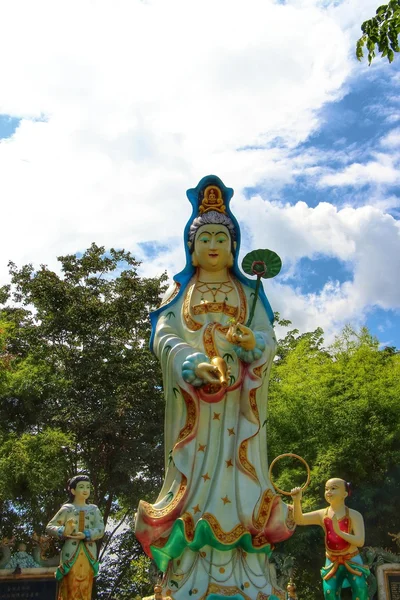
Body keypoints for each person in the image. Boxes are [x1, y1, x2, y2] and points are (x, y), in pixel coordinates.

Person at [135, 175, 294, 599]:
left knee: (238, 477)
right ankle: (189, 571)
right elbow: (163, 335)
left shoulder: (248, 292)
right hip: (197, 410)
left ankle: (250, 572)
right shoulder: (181, 291)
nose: (212, 245)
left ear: (233, 247)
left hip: (238, 408)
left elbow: (267, 338)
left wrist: (252, 342)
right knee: (197, 479)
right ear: (191, 246)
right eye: (203, 237)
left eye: (220, 238)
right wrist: (188, 362)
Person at [290, 478, 369, 600]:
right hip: (331, 561)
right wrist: (296, 501)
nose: (328, 492)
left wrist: (340, 533)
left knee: (361, 590)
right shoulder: (322, 514)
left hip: (352, 558)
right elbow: (299, 520)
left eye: (333, 488)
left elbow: (360, 541)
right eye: (326, 489)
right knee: (329, 593)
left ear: (345, 494)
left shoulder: (354, 515)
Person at [46, 474, 104, 600]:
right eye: (81, 487)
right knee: (70, 585)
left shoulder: (94, 509)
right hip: (71, 554)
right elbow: (50, 527)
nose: (85, 490)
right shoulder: (67, 509)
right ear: (72, 490)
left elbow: (100, 529)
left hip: (89, 553)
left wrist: (86, 535)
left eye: (88, 487)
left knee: (86, 585)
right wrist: (64, 531)